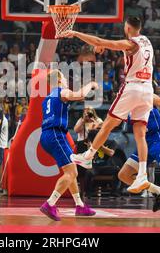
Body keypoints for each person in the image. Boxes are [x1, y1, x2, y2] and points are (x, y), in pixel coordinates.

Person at [64, 17, 154, 193]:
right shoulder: (146, 42)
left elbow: (99, 41)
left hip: (133, 87)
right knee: (140, 134)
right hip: (148, 90)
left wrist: (75, 33)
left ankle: (88, 156)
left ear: (127, 27)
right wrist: (104, 48)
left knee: (107, 125)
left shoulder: (130, 43)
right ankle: (142, 174)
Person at [39, 70, 97, 221]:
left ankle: (79, 205)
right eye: (64, 77)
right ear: (59, 79)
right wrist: (90, 84)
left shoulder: (46, 99)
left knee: (72, 171)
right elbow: (80, 95)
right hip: (55, 135)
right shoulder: (61, 91)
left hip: (46, 135)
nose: (66, 80)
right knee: (71, 173)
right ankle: (50, 204)